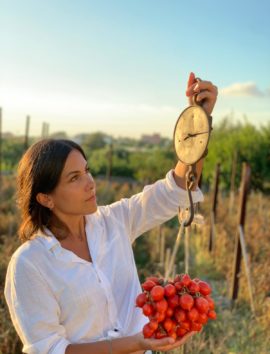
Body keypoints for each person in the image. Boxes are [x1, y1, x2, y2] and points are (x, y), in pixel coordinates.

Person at [4, 72, 218, 354]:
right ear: (45, 198)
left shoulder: (112, 222)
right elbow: (50, 349)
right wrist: (136, 343)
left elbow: (175, 190)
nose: (90, 182)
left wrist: (198, 121)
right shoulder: (30, 264)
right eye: (74, 178)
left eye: (87, 171)